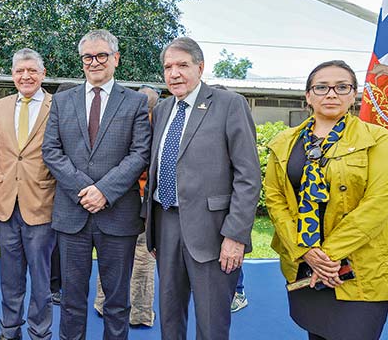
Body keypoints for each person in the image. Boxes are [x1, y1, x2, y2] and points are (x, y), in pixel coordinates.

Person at [142, 36, 261, 340]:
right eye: (168, 67)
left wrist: (235, 235)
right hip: (166, 223)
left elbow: (248, 176)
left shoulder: (229, 104)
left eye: (182, 65)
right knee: (170, 317)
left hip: (213, 231)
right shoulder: (165, 108)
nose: (174, 73)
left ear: (200, 67)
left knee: (211, 323)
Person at [265, 60, 388, 340]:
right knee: (317, 334)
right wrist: (306, 250)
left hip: (359, 269)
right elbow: (275, 199)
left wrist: (328, 256)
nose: (331, 94)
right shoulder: (283, 142)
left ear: (353, 94)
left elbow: (380, 201)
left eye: (341, 87)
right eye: (321, 87)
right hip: (305, 266)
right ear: (308, 95)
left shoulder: (379, 139)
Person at [42, 29, 151, 340]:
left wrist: (104, 191)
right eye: (88, 57)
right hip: (72, 215)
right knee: (72, 301)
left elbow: (140, 152)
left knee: (117, 303)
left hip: (117, 216)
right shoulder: (63, 101)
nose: (94, 62)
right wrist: (84, 190)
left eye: (101, 55)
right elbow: (51, 150)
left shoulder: (136, 102)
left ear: (115, 59)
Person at [0, 48, 57, 340]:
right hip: (4, 205)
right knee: (9, 277)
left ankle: (40, 333)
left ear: (42, 73)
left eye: (31, 71)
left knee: (41, 279)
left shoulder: (59, 105)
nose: (25, 76)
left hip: (42, 204)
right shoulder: (0, 107)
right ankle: (9, 330)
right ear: (13, 74)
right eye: (19, 71)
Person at [94, 84, 160, 327]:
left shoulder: (127, 122)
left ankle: (105, 303)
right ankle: (138, 314)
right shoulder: (154, 126)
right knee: (140, 258)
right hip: (132, 198)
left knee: (113, 255)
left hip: (122, 197)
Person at [50, 82, 80, 307]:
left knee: (61, 247)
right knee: (55, 247)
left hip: (74, 194)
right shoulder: (54, 119)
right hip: (51, 195)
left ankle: (58, 287)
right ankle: (54, 287)